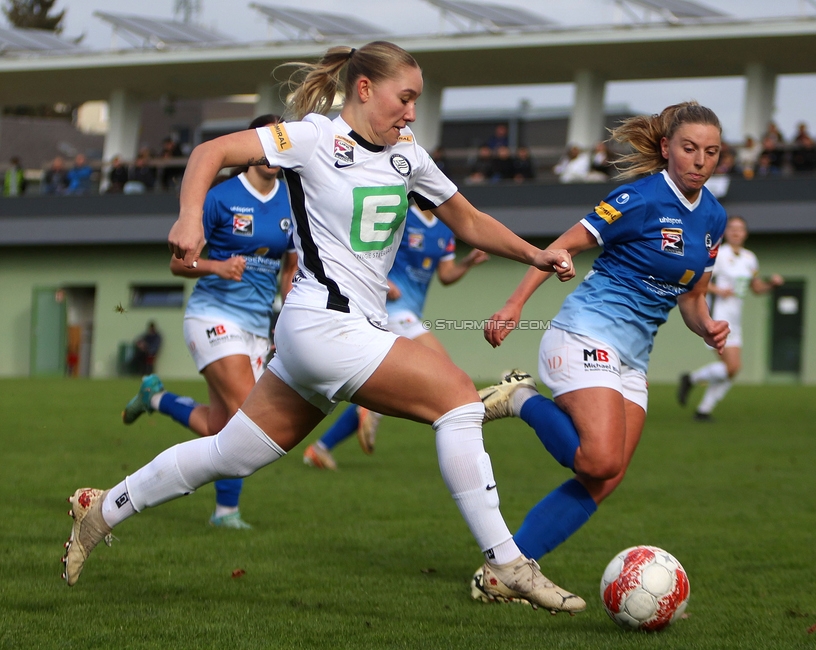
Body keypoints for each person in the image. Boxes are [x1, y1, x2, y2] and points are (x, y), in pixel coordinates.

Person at [62, 40, 584, 614]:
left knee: (230, 454)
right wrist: (189, 217)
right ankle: (507, 562)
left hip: (332, 334)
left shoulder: (407, 152)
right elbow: (209, 152)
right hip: (322, 324)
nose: (411, 112)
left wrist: (533, 254)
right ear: (364, 90)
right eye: (404, 98)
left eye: (416, 101)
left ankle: (102, 509)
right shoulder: (311, 137)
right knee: (457, 400)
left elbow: (469, 220)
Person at [471, 101, 729, 601]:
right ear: (666, 148)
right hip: (584, 336)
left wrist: (707, 327)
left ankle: (505, 574)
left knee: (605, 478)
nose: (700, 160)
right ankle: (520, 398)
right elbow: (558, 249)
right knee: (596, 460)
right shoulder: (638, 198)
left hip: (632, 359)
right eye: (690, 148)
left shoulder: (713, 217)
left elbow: (693, 296)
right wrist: (514, 304)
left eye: (711, 152)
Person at [121, 114, 297, 529]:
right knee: (247, 421)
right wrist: (217, 267)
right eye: (267, 143)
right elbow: (178, 264)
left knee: (220, 425)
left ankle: (157, 399)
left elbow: (290, 269)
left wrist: (288, 313)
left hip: (257, 325)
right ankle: (225, 513)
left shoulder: (293, 201)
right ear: (251, 148)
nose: (274, 153)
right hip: (212, 315)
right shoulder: (220, 197)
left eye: (281, 144)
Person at [303, 202, 489, 470]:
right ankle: (466, 462)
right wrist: (383, 281)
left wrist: (468, 262)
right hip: (388, 309)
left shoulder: (445, 230)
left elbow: (446, 275)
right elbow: (364, 249)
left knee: (390, 377)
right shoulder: (400, 217)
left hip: (409, 312)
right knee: (446, 371)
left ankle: (323, 446)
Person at [677, 216, 783, 421]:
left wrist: (772, 284)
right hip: (718, 316)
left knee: (731, 370)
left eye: (740, 229)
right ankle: (692, 380)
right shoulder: (719, 254)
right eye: (732, 228)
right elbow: (698, 280)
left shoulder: (749, 258)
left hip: (736, 318)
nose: (736, 232)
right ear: (726, 232)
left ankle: (702, 409)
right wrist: (718, 290)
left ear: (745, 233)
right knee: (733, 367)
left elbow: (756, 288)